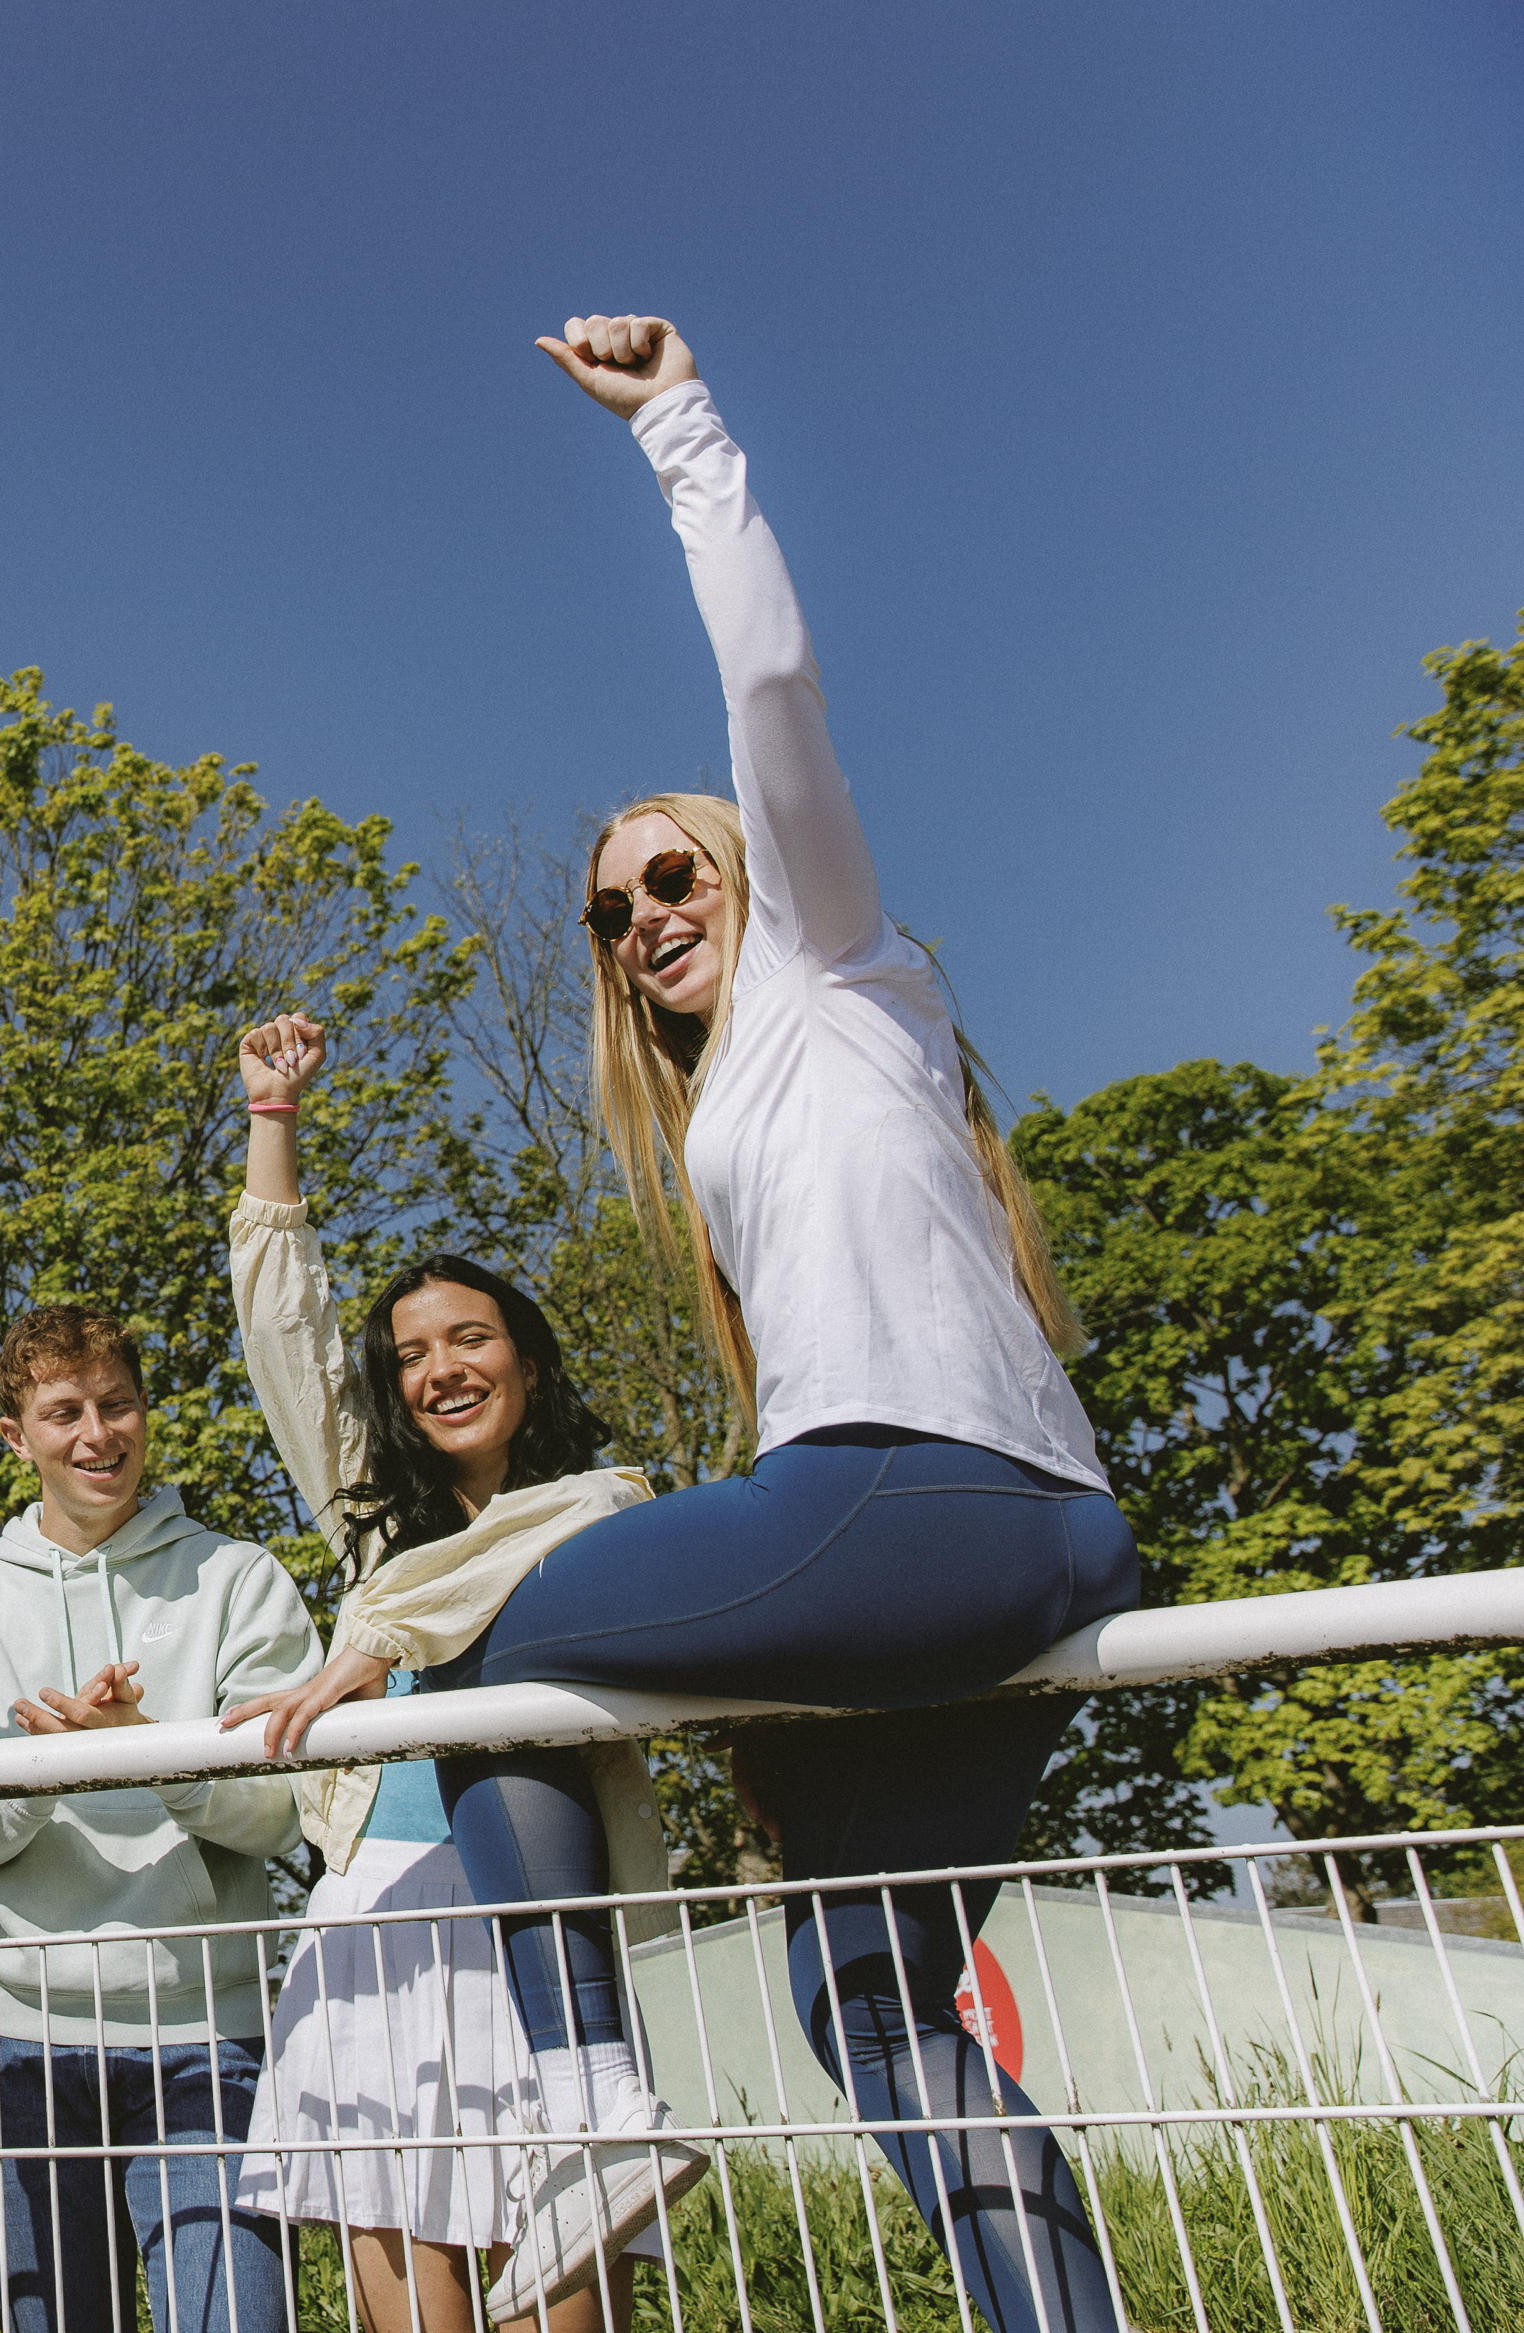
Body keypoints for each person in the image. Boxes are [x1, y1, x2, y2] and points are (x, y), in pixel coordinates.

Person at [395, 315, 1138, 2327]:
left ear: (733, 860)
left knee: (497, 1655)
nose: (640, 916)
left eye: (663, 871)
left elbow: (771, 678)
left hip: (938, 1495)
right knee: (868, 1991)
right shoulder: (724, 1117)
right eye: (609, 914)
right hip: (988, 1530)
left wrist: (675, 426)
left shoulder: (838, 961)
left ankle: (586, 2094)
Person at [210, 1013, 665, 2333]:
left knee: (563, 2287)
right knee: (410, 2295)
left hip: (536, 1920)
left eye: (465, 1340)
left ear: (524, 1355)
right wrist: (273, 1123)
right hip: (373, 1906)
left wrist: (375, 1639)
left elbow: (514, 1557)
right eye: (409, 1355)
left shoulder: (604, 1506)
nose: (437, 1371)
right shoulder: (374, 1526)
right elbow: (282, 1324)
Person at [0, 1304, 323, 2333]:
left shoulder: (237, 1578)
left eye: (116, 1403)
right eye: (62, 1412)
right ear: (13, 1435)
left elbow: (285, 1810)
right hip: (23, 2041)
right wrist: (43, 1771)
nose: (96, 1433)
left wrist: (156, 1751)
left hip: (209, 2030)